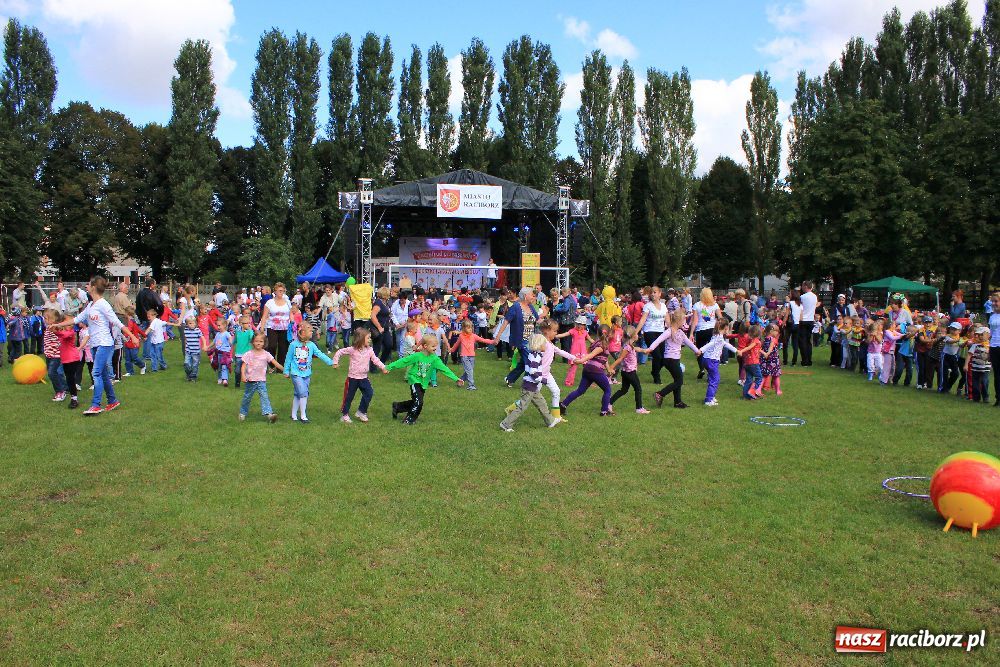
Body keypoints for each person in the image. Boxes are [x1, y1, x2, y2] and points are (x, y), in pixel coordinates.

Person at [54, 276, 139, 415]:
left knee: (96, 373)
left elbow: (117, 322)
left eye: (88, 284)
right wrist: (57, 325)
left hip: (104, 344)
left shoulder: (103, 304)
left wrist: (133, 336)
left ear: (93, 287)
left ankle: (96, 405)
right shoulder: (90, 305)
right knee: (103, 374)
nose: (86, 286)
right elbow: (76, 319)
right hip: (94, 344)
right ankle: (112, 401)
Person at [386, 334, 464, 425]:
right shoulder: (417, 356)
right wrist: (389, 367)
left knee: (417, 401)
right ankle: (409, 420)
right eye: (433, 346)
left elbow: (444, 369)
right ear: (425, 346)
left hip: (424, 383)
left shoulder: (435, 359)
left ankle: (397, 406)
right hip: (414, 380)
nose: (435, 348)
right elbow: (404, 361)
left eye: (436, 346)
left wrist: (456, 379)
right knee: (419, 402)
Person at [500, 334, 563, 432]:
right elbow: (533, 372)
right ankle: (506, 424)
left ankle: (550, 421)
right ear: (538, 345)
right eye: (544, 344)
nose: (545, 346)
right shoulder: (534, 357)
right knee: (522, 406)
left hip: (533, 387)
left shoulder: (536, 355)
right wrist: (542, 379)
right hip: (529, 387)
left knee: (542, 403)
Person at [640, 310, 702, 409]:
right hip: (669, 360)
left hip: (675, 360)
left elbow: (688, 343)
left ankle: (678, 402)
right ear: (679, 321)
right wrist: (650, 349)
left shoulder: (680, 332)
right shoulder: (669, 331)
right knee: (679, 381)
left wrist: (697, 351)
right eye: (684, 321)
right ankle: (660, 394)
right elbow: (658, 340)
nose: (684, 323)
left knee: (677, 380)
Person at [333, 328, 386, 423]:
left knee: (369, 393)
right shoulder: (352, 350)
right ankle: (345, 415)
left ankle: (361, 411)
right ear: (361, 339)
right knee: (349, 397)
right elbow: (339, 352)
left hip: (364, 378)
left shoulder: (369, 350)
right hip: (352, 378)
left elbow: (375, 359)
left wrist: (383, 367)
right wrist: (335, 362)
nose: (370, 340)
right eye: (368, 338)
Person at [559, 324, 615, 416]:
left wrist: (608, 369)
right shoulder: (601, 346)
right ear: (608, 334)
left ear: (598, 332)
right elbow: (590, 355)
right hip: (595, 371)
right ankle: (604, 411)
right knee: (607, 390)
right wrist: (580, 360)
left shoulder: (596, 343)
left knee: (580, 390)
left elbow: (604, 358)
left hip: (587, 369)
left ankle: (563, 404)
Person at [494, 287, 540, 387]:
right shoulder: (515, 307)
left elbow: (538, 319)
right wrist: (498, 337)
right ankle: (529, 383)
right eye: (532, 294)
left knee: (524, 363)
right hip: (521, 340)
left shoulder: (531, 307)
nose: (533, 296)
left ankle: (510, 379)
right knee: (530, 361)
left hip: (531, 341)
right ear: (525, 296)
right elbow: (505, 322)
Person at [239, 331, 284, 422]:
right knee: (247, 397)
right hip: (250, 380)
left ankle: (269, 415)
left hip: (261, 381)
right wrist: (243, 375)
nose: (258, 343)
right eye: (256, 341)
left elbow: (275, 363)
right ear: (252, 342)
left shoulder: (266, 354)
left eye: (261, 341)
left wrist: (285, 370)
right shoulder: (248, 354)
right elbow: (243, 366)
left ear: (264, 343)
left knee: (264, 397)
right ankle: (242, 413)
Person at [608, 325, 649, 414]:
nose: (638, 335)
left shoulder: (630, 345)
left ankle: (609, 403)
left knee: (624, 390)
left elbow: (635, 349)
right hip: (630, 373)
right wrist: (611, 367)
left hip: (626, 372)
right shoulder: (627, 347)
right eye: (637, 334)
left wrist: (643, 350)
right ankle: (639, 408)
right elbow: (620, 358)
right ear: (633, 335)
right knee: (638, 388)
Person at [698, 319, 739, 406]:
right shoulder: (718, 338)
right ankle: (708, 400)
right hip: (711, 360)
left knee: (713, 378)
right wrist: (701, 350)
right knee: (715, 379)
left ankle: (711, 397)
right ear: (726, 328)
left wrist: (736, 350)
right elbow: (710, 344)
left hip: (708, 359)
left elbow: (725, 344)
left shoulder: (717, 335)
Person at [635, 286, 669, 384]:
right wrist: (636, 333)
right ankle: (656, 377)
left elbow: (668, 320)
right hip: (649, 332)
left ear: (659, 293)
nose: (653, 294)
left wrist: (673, 331)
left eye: (655, 292)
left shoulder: (663, 306)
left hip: (661, 333)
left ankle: (654, 371)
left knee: (663, 358)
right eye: (651, 293)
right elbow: (642, 321)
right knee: (657, 356)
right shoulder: (648, 306)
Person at [449, 319, 495, 391]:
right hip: (464, 356)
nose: (470, 329)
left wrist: (492, 342)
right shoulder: (461, 336)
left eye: (471, 327)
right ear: (464, 328)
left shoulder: (473, 336)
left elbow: (483, 340)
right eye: (468, 327)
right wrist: (452, 350)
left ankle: (460, 380)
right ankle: (471, 385)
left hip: (472, 356)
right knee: (470, 371)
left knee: (469, 370)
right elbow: (456, 344)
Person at [688, 288, 721, 379]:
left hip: (701, 331)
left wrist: (691, 333)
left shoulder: (697, 305)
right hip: (712, 331)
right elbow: (720, 318)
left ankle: (702, 369)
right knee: (712, 352)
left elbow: (694, 321)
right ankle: (711, 372)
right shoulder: (715, 305)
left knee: (699, 351)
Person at [258, 282, 291, 366]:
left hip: (285, 328)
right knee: (272, 346)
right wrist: (262, 327)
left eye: (282, 291)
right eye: (279, 291)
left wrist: (294, 324)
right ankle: (271, 365)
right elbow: (264, 316)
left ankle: (280, 367)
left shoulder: (287, 302)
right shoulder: (270, 302)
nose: (281, 292)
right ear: (275, 291)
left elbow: (291, 314)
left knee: (283, 348)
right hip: (272, 327)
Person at [41, 309, 69, 402]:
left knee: (52, 373)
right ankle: (64, 388)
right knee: (54, 373)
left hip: (56, 356)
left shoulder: (56, 327)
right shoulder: (48, 327)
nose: (44, 319)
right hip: (49, 355)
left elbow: (61, 331)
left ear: (53, 319)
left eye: (46, 317)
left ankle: (60, 391)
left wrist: (55, 326)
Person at [556, 315, 591, 386]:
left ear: (584, 325)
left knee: (586, 367)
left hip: (583, 351)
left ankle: (588, 382)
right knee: (573, 367)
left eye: (581, 324)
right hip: (575, 351)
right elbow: (564, 334)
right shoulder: (573, 331)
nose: (579, 326)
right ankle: (568, 382)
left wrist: (599, 343)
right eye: (578, 324)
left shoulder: (585, 332)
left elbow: (591, 340)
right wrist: (555, 336)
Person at [738, 325, 764, 399]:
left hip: (747, 363)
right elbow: (749, 348)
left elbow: (757, 349)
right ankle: (752, 391)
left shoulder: (752, 341)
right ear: (759, 334)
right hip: (754, 363)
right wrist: (741, 351)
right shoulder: (756, 341)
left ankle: (746, 396)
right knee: (759, 378)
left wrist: (764, 353)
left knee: (749, 380)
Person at [206, 317, 234, 387]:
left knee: (224, 366)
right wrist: (208, 347)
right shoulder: (217, 334)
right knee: (219, 367)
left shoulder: (226, 333)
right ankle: (219, 378)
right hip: (218, 353)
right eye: (217, 325)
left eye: (219, 325)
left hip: (225, 353)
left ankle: (225, 379)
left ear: (224, 325)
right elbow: (214, 342)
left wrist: (230, 342)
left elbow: (230, 338)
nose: (218, 327)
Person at [370, 286, 394, 363]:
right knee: (376, 349)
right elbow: (373, 316)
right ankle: (373, 367)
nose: (390, 294)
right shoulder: (378, 303)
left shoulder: (385, 303)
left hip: (385, 328)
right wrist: (379, 327)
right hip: (378, 329)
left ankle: (381, 362)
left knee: (389, 345)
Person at [122, 306, 146, 377]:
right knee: (127, 358)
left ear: (127, 313)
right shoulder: (131, 321)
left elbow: (130, 329)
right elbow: (139, 330)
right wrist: (144, 335)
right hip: (128, 342)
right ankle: (130, 371)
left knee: (134, 357)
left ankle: (142, 365)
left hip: (134, 342)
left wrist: (124, 333)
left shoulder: (131, 322)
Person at [797, 281, 817, 366]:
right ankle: (809, 360)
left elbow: (799, 308)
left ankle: (804, 360)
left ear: (805, 286)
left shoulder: (802, 297)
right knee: (808, 341)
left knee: (802, 341)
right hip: (811, 320)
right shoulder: (814, 296)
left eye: (802, 285)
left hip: (803, 320)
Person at [760, 323, 783, 395]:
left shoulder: (764, 339)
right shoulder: (773, 339)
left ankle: (758, 389)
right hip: (773, 360)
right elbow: (771, 348)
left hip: (765, 360)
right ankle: (778, 390)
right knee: (776, 376)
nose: (777, 333)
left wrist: (764, 353)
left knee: (764, 375)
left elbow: (760, 348)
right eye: (776, 331)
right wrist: (767, 353)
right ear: (771, 331)